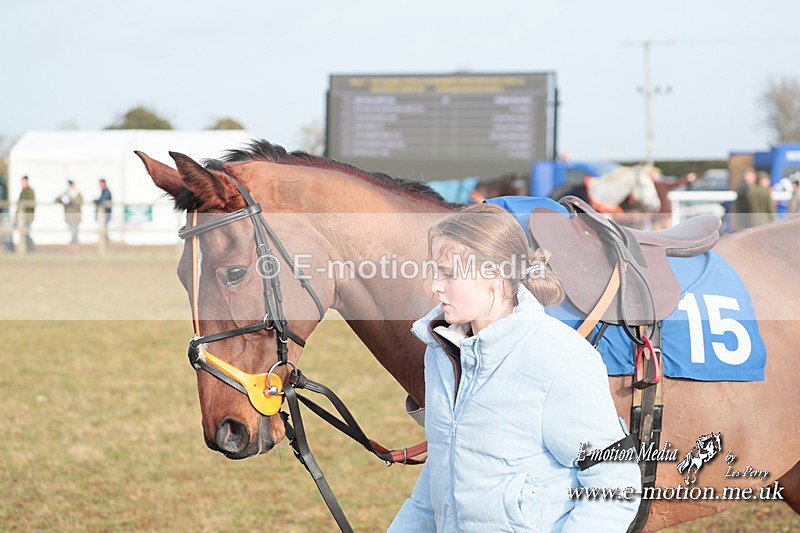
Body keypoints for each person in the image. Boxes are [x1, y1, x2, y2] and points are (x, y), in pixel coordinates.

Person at [389, 203, 641, 532]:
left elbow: (614, 479)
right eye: (434, 271)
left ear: (493, 274)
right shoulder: (440, 354)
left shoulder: (560, 358)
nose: (434, 285)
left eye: (449, 273)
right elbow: (443, 464)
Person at [56, 179, 83, 250]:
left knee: (74, 231)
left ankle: (74, 246)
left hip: (76, 216)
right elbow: (57, 200)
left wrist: (72, 201)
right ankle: (75, 246)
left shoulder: (78, 194)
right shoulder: (66, 194)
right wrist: (63, 199)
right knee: (73, 231)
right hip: (69, 216)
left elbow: (80, 202)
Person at [17, 175, 36, 252]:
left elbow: (31, 203)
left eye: (23, 181)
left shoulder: (30, 191)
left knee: (26, 233)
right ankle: (28, 249)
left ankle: (31, 249)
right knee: (24, 233)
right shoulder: (23, 191)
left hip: (28, 216)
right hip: (22, 216)